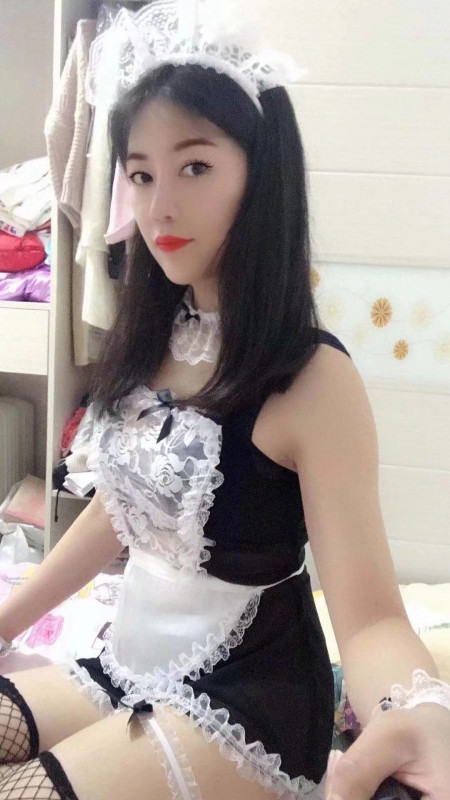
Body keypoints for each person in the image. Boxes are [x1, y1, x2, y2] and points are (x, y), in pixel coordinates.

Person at [0, 6, 449, 800]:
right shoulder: (152, 336)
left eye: (195, 167)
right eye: (141, 175)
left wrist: (419, 708)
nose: (159, 207)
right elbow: (119, 510)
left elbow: (373, 617)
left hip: (246, 698)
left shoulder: (312, 378)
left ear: (260, 173)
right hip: (128, 659)